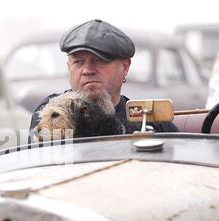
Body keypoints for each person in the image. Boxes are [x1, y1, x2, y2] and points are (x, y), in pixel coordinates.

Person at [29, 19, 178, 141]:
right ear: (69, 68)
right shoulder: (50, 110)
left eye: (99, 60)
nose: (87, 70)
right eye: (78, 62)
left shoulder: (152, 119)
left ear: (125, 67)